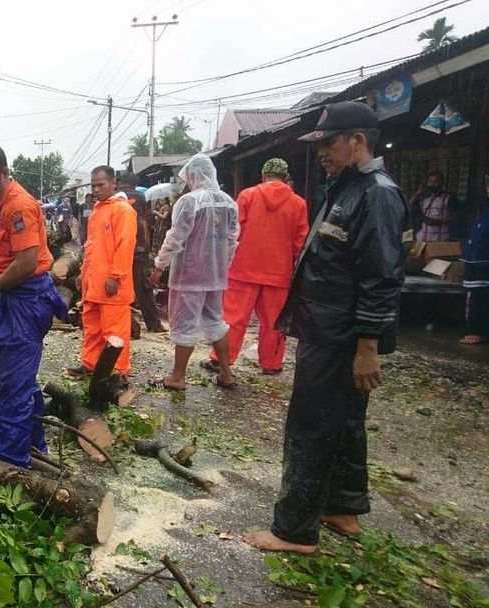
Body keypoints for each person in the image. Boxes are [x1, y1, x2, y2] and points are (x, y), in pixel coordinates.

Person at [245, 101, 409, 554]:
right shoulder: (345, 187)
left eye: (329, 143)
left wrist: (368, 346)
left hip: (340, 335)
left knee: (312, 424)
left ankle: (294, 531)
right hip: (329, 328)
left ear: (357, 141)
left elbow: (381, 276)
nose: (321, 152)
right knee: (347, 421)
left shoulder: (376, 194)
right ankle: (343, 507)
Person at [0, 142, 67, 468]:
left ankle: (9, 466)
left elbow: (25, 263)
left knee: (13, 387)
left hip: (27, 299)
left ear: (4, 173)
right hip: (13, 297)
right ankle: (36, 446)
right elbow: (3, 257)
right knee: (22, 379)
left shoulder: (18, 206)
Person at [206, 158, 308, 374]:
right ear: (286, 177)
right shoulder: (298, 203)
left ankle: (220, 360)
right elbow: (301, 241)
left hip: (243, 269)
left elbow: (232, 231)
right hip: (279, 273)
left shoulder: (248, 195)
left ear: (264, 175)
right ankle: (271, 365)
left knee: (233, 318)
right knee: (274, 322)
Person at [149, 153, 239, 391]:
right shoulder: (228, 202)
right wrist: (222, 266)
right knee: (215, 321)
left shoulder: (189, 202)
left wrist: (159, 265)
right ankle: (226, 374)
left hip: (188, 275)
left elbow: (175, 238)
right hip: (215, 276)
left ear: (192, 175)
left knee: (185, 324)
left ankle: (177, 377)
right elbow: (232, 240)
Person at [66, 166, 136, 379]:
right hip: (93, 283)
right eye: (93, 185)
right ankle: (90, 364)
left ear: (114, 183)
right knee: (92, 328)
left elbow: (125, 246)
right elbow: (92, 246)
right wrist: (82, 273)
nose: (96, 189)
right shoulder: (98, 210)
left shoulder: (122, 211)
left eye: (101, 185)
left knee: (114, 331)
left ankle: (118, 373)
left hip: (111, 284)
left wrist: (115, 276)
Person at [119, 172, 165, 333]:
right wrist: (146, 245)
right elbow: (144, 222)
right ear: (135, 184)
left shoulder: (114, 197)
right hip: (138, 247)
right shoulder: (140, 196)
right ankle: (153, 324)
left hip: (119, 249)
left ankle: (126, 325)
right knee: (144, 287)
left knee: (118, 288)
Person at [459, 204, 489, 345]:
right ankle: (477, 331)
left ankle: (478, 331)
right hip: (477, 261)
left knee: (480, 296)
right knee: (476, 295)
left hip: (483, 260)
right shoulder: (484, 214)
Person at [411, 170, 463, 242]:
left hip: (441, 238)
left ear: (441, 183)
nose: (432, 184)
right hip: (424, 238)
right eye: (430, 182)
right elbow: (409, 205)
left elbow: (457, 214)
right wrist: (418, 193)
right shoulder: (424, 197)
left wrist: (439, 221)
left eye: (436, 181)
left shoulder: (448, 197)